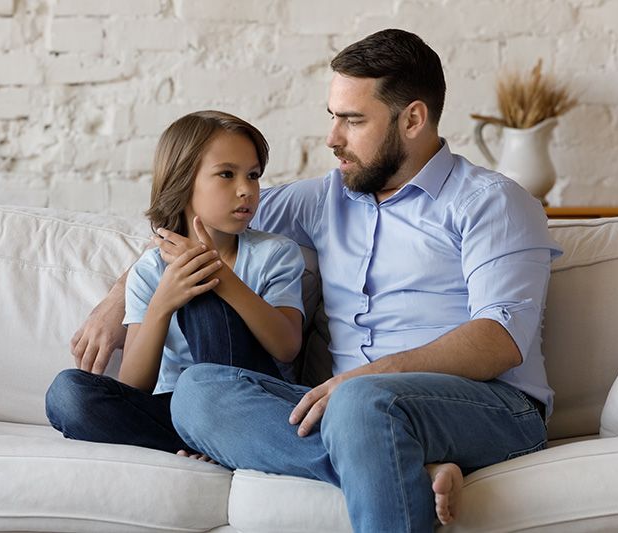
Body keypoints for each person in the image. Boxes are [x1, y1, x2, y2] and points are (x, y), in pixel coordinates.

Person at [70, 29, 563, 531]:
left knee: (361, 403)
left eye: (352, 120)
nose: (332, 138)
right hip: (344, 405)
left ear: (412, 118)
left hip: (486, 406)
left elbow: (501, 338)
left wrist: (366, 379)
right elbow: (200, 223)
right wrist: (118, 298)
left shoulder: (492, 202)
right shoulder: (323, 199)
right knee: (199, 393)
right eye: (333, 117)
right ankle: (400, 466)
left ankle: (378, 447)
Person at [45, 111, 305, 460]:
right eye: (226, 174)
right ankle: (208, 444)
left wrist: (222, 278)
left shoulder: (275, 253)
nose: (246, 189)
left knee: (200, 284)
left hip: (253, 403)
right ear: (183, 182)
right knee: (67, 394)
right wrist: (163, 303)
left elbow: (287, 346)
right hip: (176, 411)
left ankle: (226, 433)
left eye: (254, 175)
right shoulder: (149, 271)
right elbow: (133, 386)